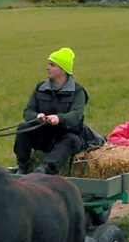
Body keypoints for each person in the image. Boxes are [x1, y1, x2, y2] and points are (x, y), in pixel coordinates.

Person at [14, 47, 89, 175]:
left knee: (70, 140)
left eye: (52, 65)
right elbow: (28, 111)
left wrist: (59, 119)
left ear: (63, 69)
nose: (47, 68)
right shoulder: (40, 88)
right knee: (23, 128)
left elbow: (76, 115)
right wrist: (37, 116)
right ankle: (23, 166)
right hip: (44, 135)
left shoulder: (78, 91)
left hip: (66, 136)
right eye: (48, 64)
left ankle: (45, 170)